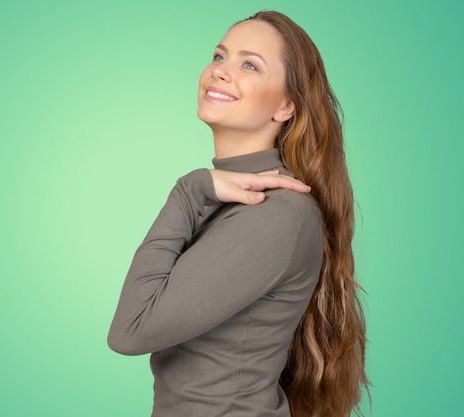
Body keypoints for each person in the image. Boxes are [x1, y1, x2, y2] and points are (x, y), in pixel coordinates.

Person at [108, 10, 368, 417]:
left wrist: (189, 189)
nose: (221, 71)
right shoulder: (229, 201)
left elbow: (131, 329)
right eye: (218, 56)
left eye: (249, 64)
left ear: (285, 106)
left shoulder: (276, 214)